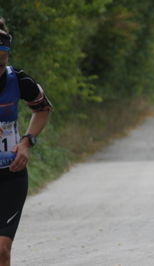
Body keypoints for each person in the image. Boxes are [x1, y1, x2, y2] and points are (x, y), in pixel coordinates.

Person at [0, 18, 52, 265]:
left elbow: (43, 109)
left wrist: (27, 141)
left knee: (1, 249)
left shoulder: (18, 80)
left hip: (11, 175)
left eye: (3, 57)